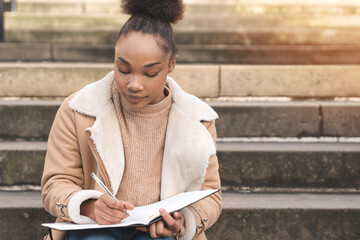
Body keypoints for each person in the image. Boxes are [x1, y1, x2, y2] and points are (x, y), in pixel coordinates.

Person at [41, 0, 222, 239]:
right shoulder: (78, 109)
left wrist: (180, 222)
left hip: (159, 234)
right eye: (123, 69)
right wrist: (90, 207)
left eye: (150, 73)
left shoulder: (198, 119)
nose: (134, 84)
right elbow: (57, 182)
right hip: (94, 228)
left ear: (172, 64)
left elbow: (210, 194)